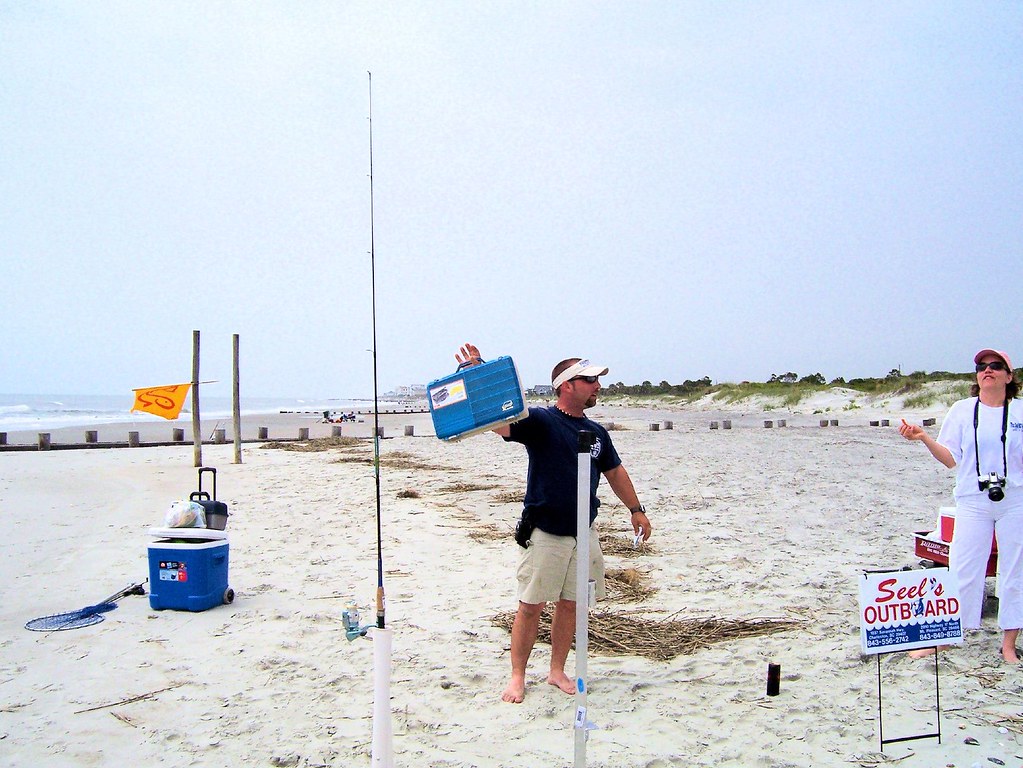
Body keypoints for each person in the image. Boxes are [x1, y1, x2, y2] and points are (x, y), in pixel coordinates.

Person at [454, 343, 653, 703]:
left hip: (584, 531)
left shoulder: (596, 432)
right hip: (545, 530)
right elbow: (499, 422)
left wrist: (636, 509)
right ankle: (517, 677)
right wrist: (477, 372)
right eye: (589, 379)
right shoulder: (542, 421)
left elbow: (614, 471)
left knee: (572, 604)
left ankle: (557, 670)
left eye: (597, 380)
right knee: (531, 606)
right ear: (566, 385)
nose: (597, 386)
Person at [899, 348, 1023, 663]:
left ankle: (1008, 644)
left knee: (1014, 570)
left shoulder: (1020, 412)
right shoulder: (962, 410)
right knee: (964, 568)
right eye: (982, 366)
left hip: (1015, 501)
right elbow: (950, 459)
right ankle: (949, 637)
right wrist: (924, 439)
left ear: (1009, 377)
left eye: (996, 366)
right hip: (972, 500)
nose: (988, 370)